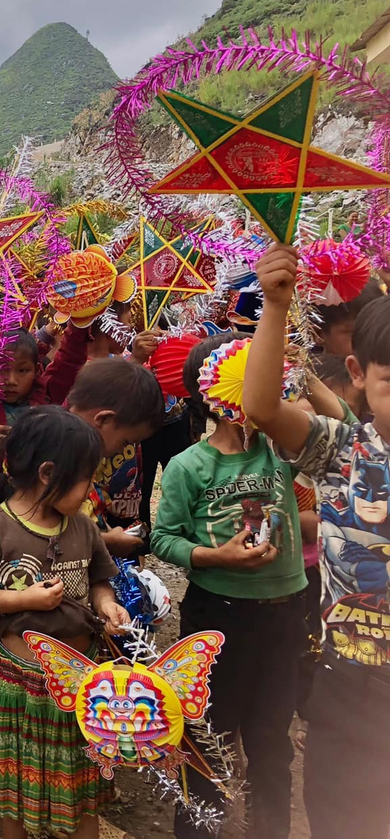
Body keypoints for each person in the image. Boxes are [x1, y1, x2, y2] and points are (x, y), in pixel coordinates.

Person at [244, 245, 390, 839]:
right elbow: (261, 407)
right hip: (349, 687)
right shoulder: (343, 450)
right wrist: (276, 308)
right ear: (358, 373)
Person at [151, 332, 305, 838]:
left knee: (271, 741)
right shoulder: (188, 466)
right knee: (207, 739)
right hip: (217, 616)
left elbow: (328, 426)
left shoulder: (281, 451)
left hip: (282, 614)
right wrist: (216, 556)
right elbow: (164, 537)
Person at [0, 406, 129, 839]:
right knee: (15, 784)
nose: (90, 490)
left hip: (80, 680)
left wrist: (108, 606)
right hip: (18, 682)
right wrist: (24, 599)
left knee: (80, 780)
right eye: (85, 479)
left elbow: (99, 580)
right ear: (48, 473)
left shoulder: (82, 527)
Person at [65, 357, 164, 559]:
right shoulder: (57, 459)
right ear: (103, 419)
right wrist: (105, 541)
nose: (123, 450)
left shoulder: (82, 455)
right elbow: (44, 532)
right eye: (126, 442)